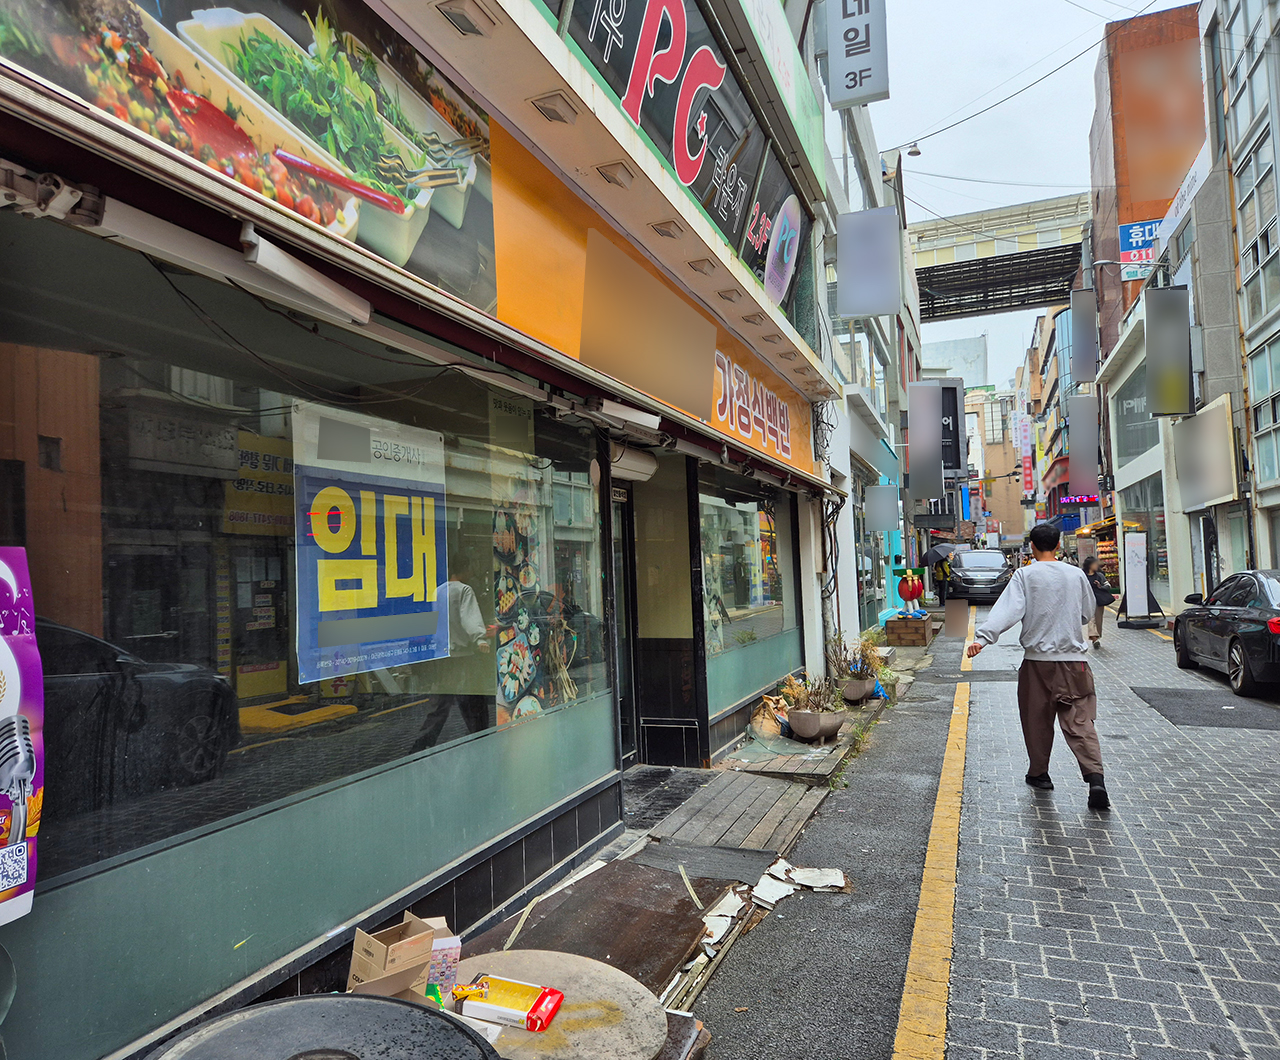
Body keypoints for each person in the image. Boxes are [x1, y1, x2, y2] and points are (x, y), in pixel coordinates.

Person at [965, 523, 1109, 810]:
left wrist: (982, 639)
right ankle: (1095, 779)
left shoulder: (1025, 575)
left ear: (1032, 546)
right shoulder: (1076, 575)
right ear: (1057, 546)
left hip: (1037, 663)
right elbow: (1085, 612)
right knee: (1080, 722)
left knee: (1036, 721)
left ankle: (1040, 774)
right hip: (1075, 664)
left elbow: (1008, 611)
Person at [411, 563, 493, 752]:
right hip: (463, 655)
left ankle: (423, 742)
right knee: (472, 701)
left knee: (439, 703)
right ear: (464, 569)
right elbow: (469, 617)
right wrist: (480, 638)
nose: (472, 572)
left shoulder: (437, 591)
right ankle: (480, 740)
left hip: (443, 653)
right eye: (470, 569)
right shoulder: (464, 590)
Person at [1082, 557, 1114, 648]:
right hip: (1087, 600)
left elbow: (1108, 586)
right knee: (1091, 619)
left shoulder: (1100, 575)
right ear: (1089, 565)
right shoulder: (1083, 575)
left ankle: (1097, 635)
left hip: (1099, 600)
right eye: (1094, 564)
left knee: (1098, 620)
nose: (1096, 566)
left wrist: (1100, 586)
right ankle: (1094, 638)